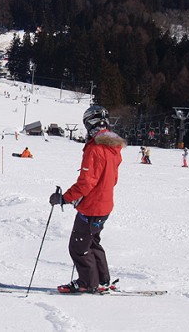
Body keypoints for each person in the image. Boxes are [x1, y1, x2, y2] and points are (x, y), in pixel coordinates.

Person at [49, 105, 127, 293]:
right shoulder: (113, 148)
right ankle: (102, 280)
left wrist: (64, 198)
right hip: (104, 205)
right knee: (92, 242)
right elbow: (112, 179)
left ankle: (87, 282)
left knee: (78, 247)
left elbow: (86, 182)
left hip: (92, 208)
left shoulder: (95, 148)